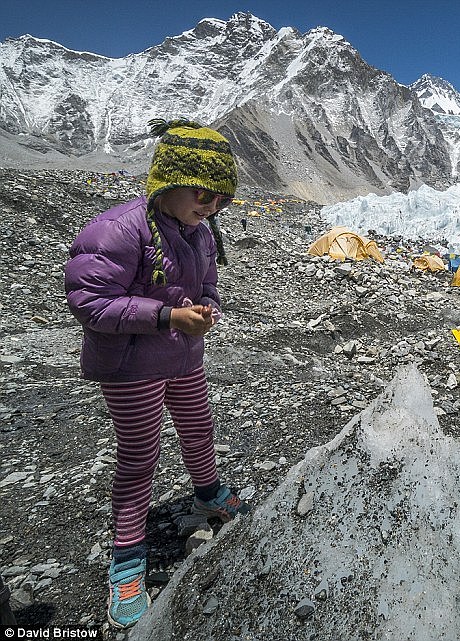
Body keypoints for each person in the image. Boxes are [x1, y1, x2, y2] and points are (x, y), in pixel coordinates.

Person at [64, 118, 251, 629]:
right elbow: (89, 301)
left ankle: (208, 491)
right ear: (167, 181)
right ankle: (126, 560)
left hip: (183, 358)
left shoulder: (202, 235)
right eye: (200, 192)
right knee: (139, 455)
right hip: (130, 367)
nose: (210, 205)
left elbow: (207, 287)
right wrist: (167, 316)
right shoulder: (120, 230)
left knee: (198, 428)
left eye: (219, 197)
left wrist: (205, 309)